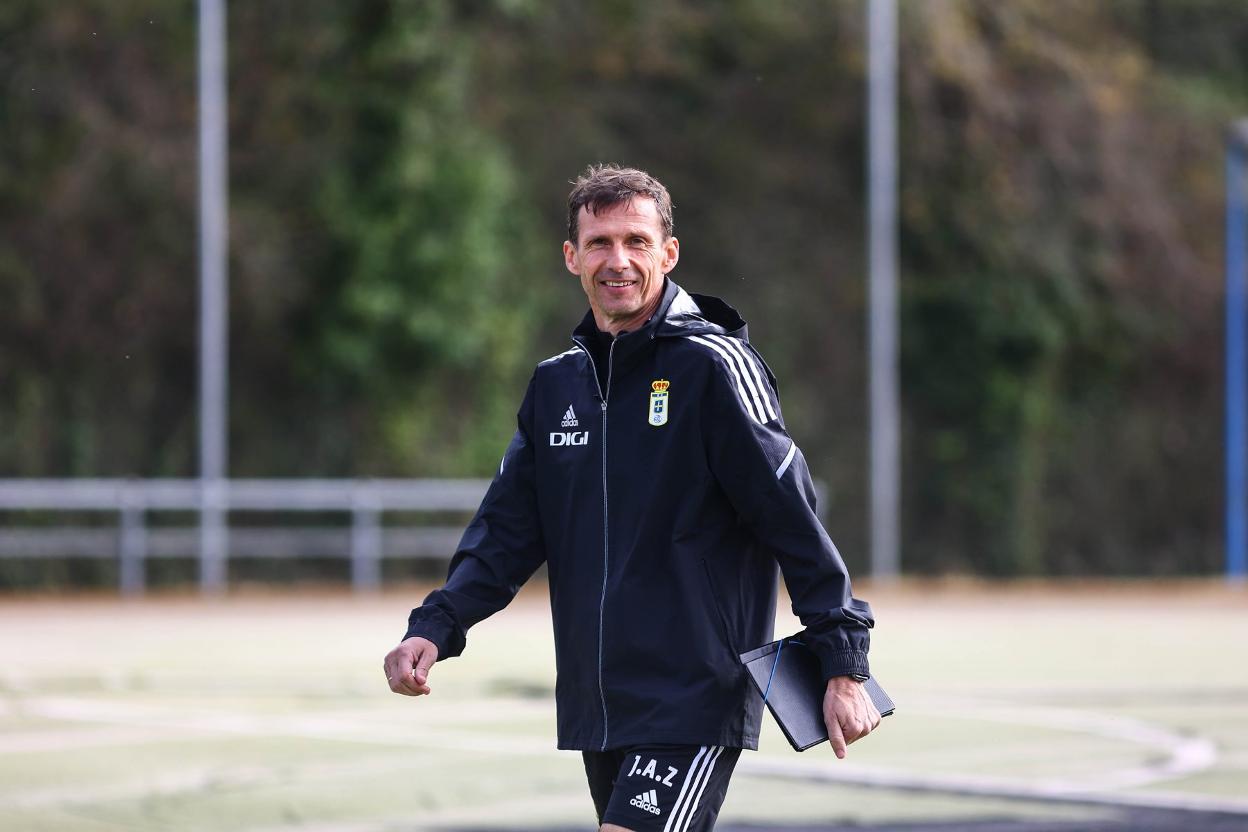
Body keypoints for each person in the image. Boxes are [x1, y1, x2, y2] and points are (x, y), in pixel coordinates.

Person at [383, 164, 879, 832]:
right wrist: (436, 626)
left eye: (636, 242)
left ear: (668, 254)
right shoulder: (556, 386)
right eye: (599, 243)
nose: (618, 261)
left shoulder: (712, 366)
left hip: (697, 690)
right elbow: (506, 532)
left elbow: (789, 514)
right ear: (571, 258)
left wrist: (844, 661)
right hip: (600, 701)